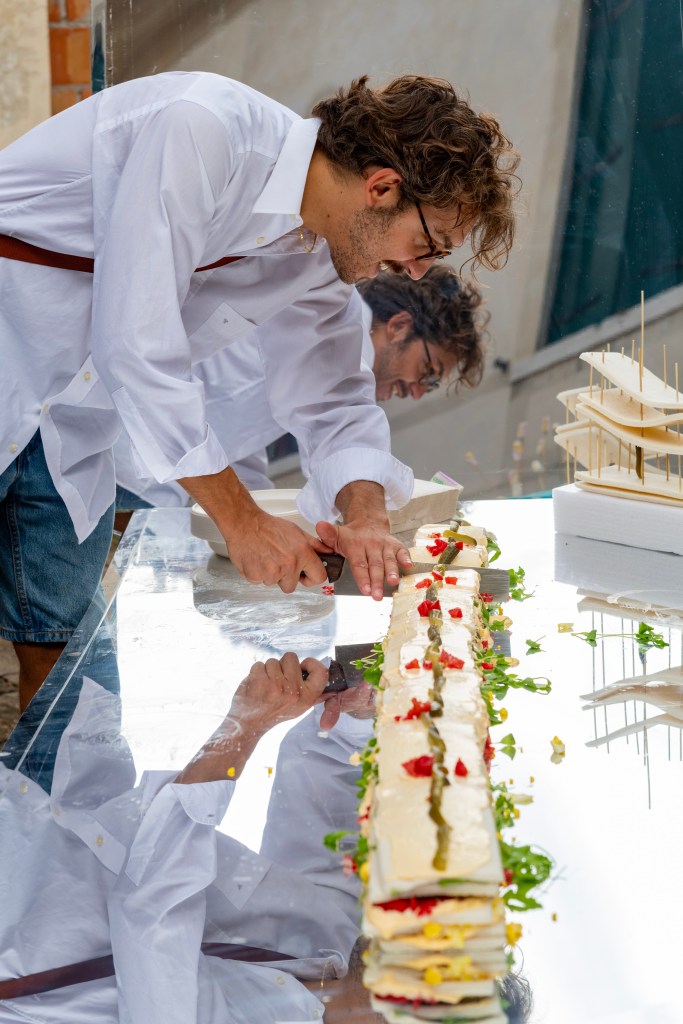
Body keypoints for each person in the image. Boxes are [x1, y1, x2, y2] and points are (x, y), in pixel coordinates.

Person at [0, 72, 519, 707]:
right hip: (11, 357)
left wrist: (366, 518)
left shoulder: (321, 257)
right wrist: (243, 522)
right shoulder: (206, 129)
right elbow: (135, 344)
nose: (415, 271)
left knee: (71, 690)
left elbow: (334, 399)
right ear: (382, 187)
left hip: (70, 431)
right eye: (425, 244)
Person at [113, 266, 487, 514]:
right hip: (130, 462)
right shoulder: (339, 327)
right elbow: (336, 437)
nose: (419, 392)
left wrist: (263, 517)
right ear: (400, 326)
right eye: (429, 372)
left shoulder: (334, 345)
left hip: (152, 474)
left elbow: (233, 436)